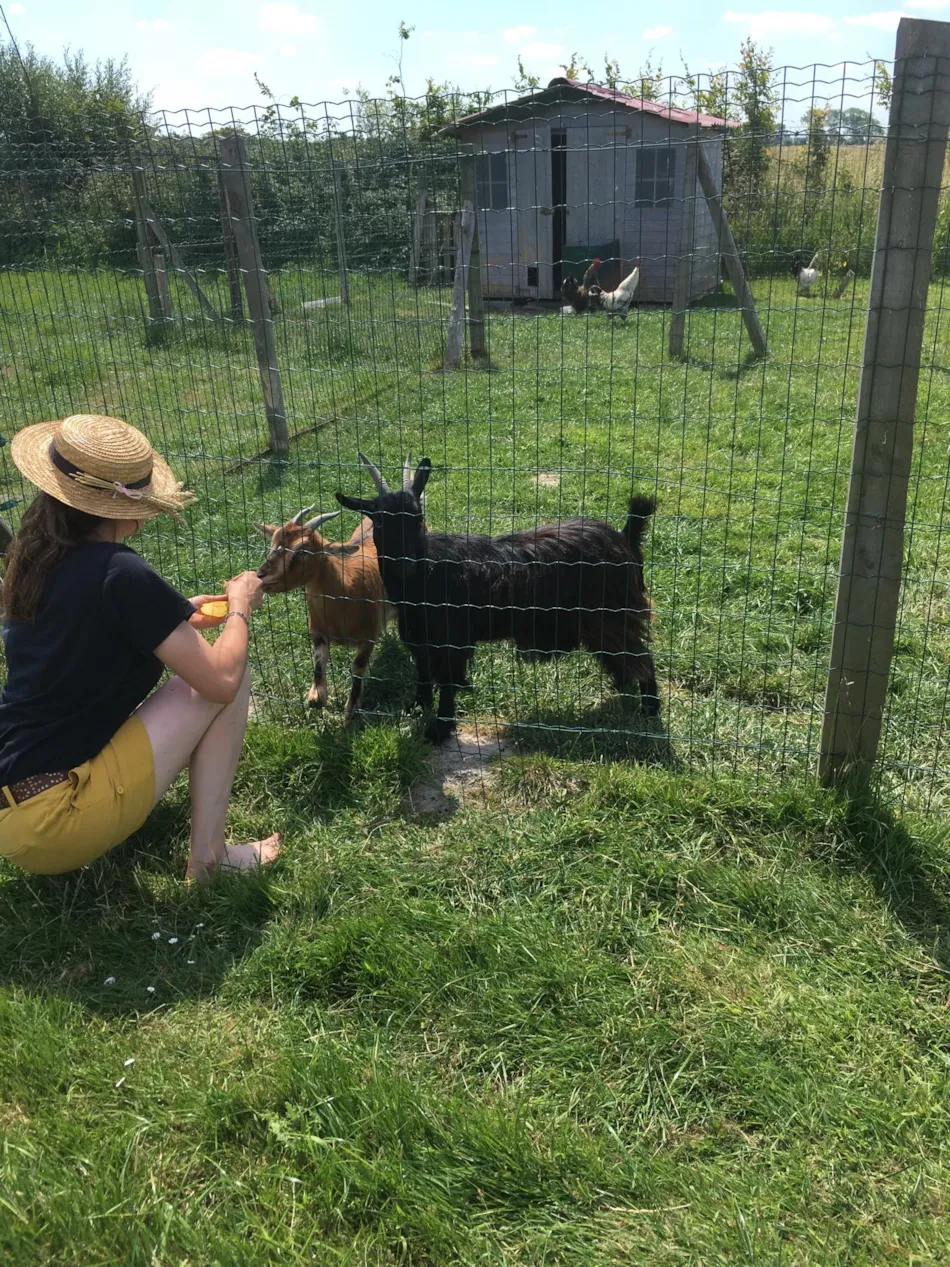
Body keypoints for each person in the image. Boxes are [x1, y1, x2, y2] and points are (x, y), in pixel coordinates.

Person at [0, 413, 280, 880]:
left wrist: (167, 614)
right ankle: (209, 860)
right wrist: (241, 607)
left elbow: (82, 636)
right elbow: (221, 680)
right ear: (123, 505)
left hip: (13, 811)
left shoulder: (36, 556)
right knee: (228, 674)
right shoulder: (120, 572)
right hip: (55, 822)